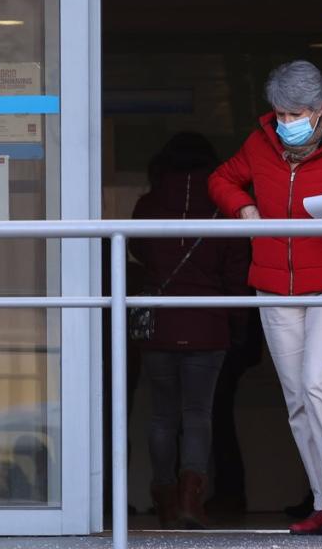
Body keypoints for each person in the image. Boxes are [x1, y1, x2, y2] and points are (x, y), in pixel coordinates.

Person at [208, 60, 322, 535]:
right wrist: (244, 208)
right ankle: (320, 499)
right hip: (275, 287)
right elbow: (222, 180)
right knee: (295, 397)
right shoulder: (259, 145)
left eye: (296, 114)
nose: (286, 122)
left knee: (317, 381)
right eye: (280, 114)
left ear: (319, 109)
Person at [130, 132, 251, 529]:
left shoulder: (148, 205)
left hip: (160, 322)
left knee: (161, 416)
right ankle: (189, 499)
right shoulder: (224, 205)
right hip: (208, 321)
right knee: (198, 414)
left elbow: (137, 251)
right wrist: (239, 324)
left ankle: (164, 496)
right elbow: (237, 272)